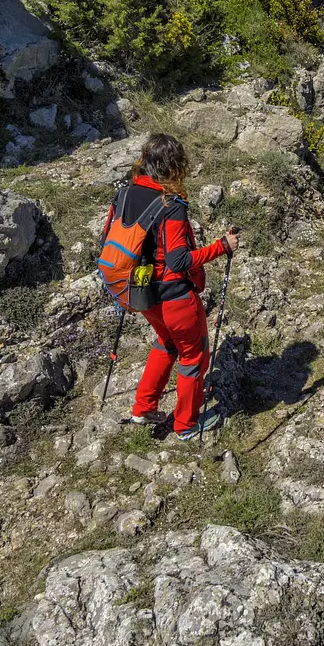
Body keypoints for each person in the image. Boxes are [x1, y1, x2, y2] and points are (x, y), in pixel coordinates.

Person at [103, 134, 239, 441]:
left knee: (166, 343)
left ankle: (143, 408)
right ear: (176, 166)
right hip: (175, 297)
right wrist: (222, 246)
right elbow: (178, 261)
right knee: (194, 357)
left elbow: (108, 238)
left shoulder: (124, 193)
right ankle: (186, 425)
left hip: (141, 293)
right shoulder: (170, 205)